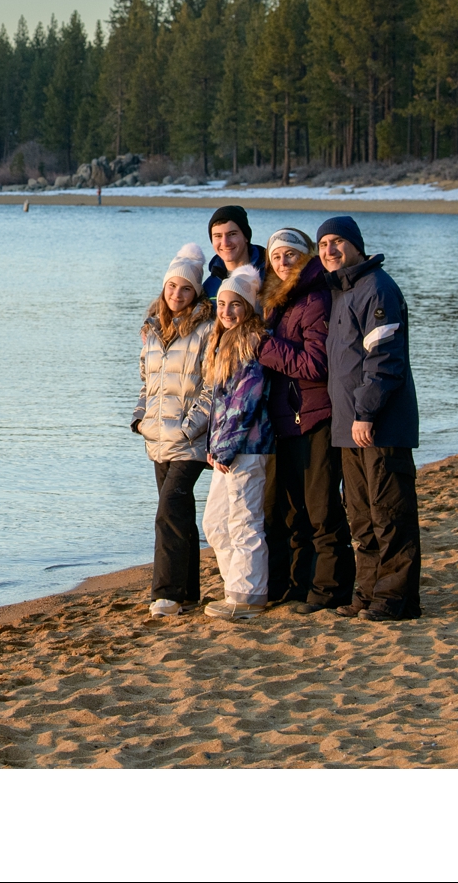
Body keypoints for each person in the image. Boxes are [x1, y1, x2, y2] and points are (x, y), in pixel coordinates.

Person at [316, 215, 422, 623]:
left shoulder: (377, 288)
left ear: (357, 245)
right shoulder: (344, 291)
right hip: (350, 428)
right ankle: (367, 594)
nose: (330, 250)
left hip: (379, 425)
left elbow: (385, 360)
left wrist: (366, 413)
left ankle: (396, 600)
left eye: (338, 242)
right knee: (361, 515)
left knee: (389, 513)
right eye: (324, 244)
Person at [259, 227, 354, 613]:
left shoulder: (314, 299)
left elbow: (316, 364)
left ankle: (330, 591)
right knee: (294, 511)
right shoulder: (279, 301)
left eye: (291, 255)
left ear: (307, 256)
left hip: (315, 416)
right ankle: (300, 587)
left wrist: (264, 346)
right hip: (287, 419)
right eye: (276, 256)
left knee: (322, 509)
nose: (283, 262)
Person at [132, 243, 216, 617]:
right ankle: (188, 593)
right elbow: (146, 383)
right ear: (163, 289)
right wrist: (140, 418)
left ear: (196, 292)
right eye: (171, 287)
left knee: (168, 510)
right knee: (178, 512)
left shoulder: (208, 330)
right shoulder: (151, 330)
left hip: (189, 439)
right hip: (157, 437)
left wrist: (191, 427)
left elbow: (215, 384)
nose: (177, 294)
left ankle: (165, 593)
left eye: (185, 288)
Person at [198, 264, 275, 621]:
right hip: (224, 451)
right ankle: (237, 587)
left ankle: (249, 597)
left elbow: (244, 403)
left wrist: (225, 448)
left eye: (236, 305)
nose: (227, 312)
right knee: (215, 523)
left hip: (248, 448)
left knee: (245, 521)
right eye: (222, 304)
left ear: (248, 308)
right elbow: (218, 404)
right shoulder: (221, 342)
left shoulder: (251, 343)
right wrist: (214, 448)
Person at [202, 204, 267, 299]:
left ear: (246, 237)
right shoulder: (209, 287)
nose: (225, 243)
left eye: (232, 234)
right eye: (218, 236)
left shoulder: (270, 276)